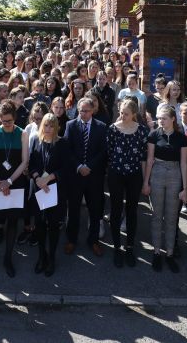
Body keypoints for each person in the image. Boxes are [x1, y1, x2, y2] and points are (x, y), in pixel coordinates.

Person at [0, 99, 30, 280]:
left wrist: (9, 181)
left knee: (12, 223)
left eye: (9, 121)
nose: (7, 124)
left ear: (15, 118)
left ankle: (8, 258)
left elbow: (25, 161)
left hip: (15, 183)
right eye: (4, 121)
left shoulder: (22, 134)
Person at [143, 103, 187, 272]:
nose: (160, 121)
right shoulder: (154, 135)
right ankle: (156, 252)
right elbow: (149, 160)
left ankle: (169, 253)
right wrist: (146, 182)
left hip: (175, 174)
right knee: (156, 215)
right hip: (157, 173)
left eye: (164, 118)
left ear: (173, 119)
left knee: (171, 216)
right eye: (159, 118)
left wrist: (185, 188)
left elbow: (184, 164)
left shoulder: (182, 138)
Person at [106, 98, 149, 267]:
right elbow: (108, 153)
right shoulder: (112, 130)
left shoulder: (142, 131)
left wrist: (146, 181)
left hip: (134, 176)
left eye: (126, 114)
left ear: (134, 114)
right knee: (115, 210)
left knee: (132, 211)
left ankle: (130, 247)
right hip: (116, 175)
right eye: (121, 113)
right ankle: (117, 247)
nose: (122, 116)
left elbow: (144, 158)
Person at [64, 97, 108, 257]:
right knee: (73, 210)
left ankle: (93, 241)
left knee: (95, 210)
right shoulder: (70, 125)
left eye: (86, 111)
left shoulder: (101, 127)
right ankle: (71, 240)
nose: (83, 113)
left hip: (94, 176)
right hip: (76, 176)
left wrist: (89, 166)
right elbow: (67, 149)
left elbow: (103, 151)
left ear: (93, 111)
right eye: (81, 110)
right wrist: (79, 166)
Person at [28, 113, 68, 277]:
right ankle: (41, 256)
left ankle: (51, 257)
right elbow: (32, 164)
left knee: (53, 225)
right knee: (39, 224)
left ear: (56, 127)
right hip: (39, 189)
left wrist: (49, 179)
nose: (49, 129)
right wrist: (38, 178)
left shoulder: (62, 144)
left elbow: (66, 168)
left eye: (52, 126)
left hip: (55, 190)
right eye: (46, 125)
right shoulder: (37, 141)